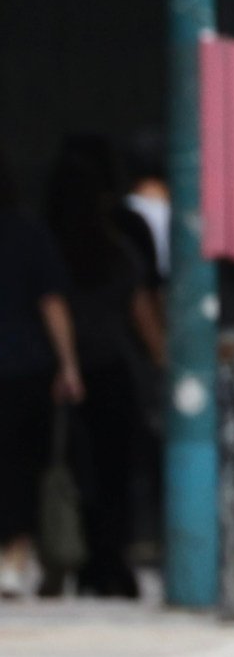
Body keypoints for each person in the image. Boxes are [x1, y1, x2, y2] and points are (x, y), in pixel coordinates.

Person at [44, 137, 156, 598]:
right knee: (114, 476)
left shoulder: (49, 246)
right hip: (113, 371)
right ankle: (112, 561)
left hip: (58, 377)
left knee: (71, 474)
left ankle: (79, 557)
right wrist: (164, 362)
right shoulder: (119, 246)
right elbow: (142, 311)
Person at [0, 155, 72, 595]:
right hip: (24, 366)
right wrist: (68, 364)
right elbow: (52, 303)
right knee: (22, 464)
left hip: (21, 365)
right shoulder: (28, 233)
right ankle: (15, 552)